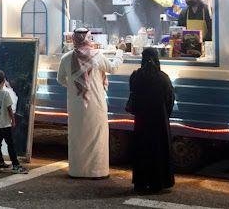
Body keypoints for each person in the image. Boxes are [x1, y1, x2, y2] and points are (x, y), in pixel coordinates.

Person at [57, 28, 123, 178]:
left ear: (74, 39)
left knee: (77, 137)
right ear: (88, 38)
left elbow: (60, 79)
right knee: (97, 137)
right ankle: (97, 171)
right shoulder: (97, 56)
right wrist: (120, 52)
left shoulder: (66, 58)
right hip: (96, 103)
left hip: (75, 104)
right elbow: (113, 68)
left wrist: (74, 87)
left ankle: (77, 171)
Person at [128, 47, 175, 193]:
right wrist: (165, 115)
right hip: (159, 121)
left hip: (141, 121)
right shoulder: (163, 78)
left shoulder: (136, 76)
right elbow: (170, 100)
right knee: (159, 151)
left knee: (141, 150)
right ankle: (158, 183)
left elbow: (133, 97)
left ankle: (141, 182)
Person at [0, 70, 28, 174]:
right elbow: (9, 109)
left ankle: (0, 162)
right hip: (6, 124)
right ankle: (15, 165)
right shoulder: (5, 94)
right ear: (3, 81)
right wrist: (13, 121)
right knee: (10, 144)